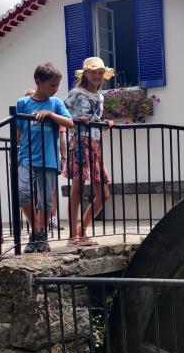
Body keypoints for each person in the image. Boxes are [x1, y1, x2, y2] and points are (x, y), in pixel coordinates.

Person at [15, 63, 73, 253]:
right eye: (52, 85)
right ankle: (38, 231)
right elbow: (17, 131)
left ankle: (39, 237)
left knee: (46, 201)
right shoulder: (23, 103)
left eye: (57, 85)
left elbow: (70, 123)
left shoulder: (55, 103)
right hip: (26, 157)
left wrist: (49, 114)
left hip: (49, 159)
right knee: (22, 194)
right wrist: (13, 154)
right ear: (38, 81)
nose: (55, 89)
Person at [65, 57, 114, 247]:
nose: (97, 75)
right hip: (78, 141)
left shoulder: (100, 97)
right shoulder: (76, 93)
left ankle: (82, 231)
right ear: (85, 74)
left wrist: (105, 123)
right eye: (93, 72)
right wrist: (76, 119)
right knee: (77, 188)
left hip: (94, 144)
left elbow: (96, 120)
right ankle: (72, 237)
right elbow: (62, 114)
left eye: (100, 72)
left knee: (104, 194)